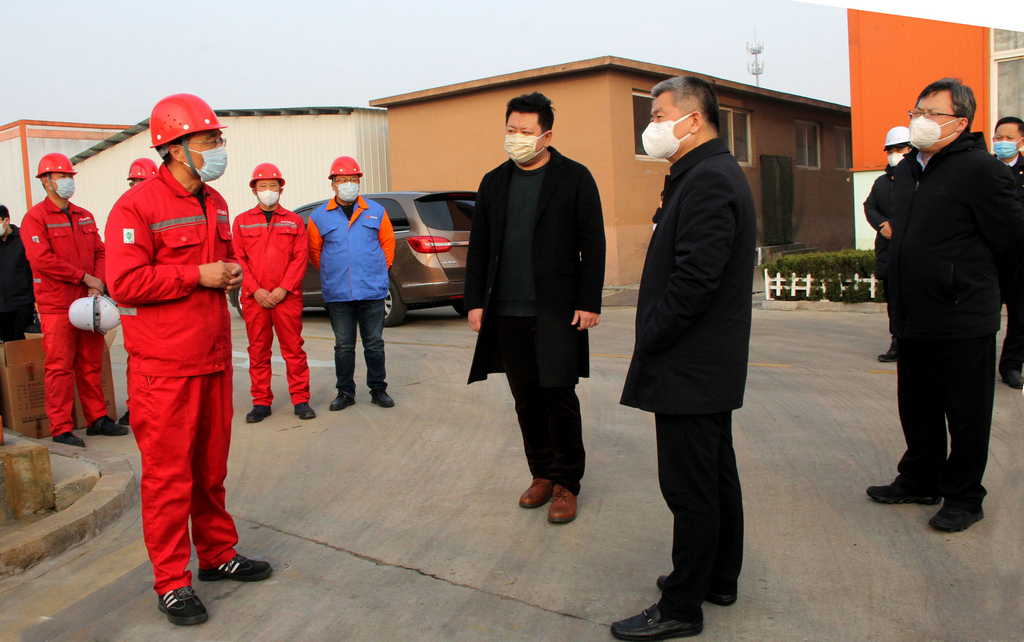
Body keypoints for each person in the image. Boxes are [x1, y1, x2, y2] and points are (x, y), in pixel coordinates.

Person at [105, 94, 272, 626]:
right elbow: (124, 282)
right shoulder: (136, 207)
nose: (219, 147)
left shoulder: (215, 201)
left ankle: (218, 554)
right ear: (176, 148)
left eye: (218, 138)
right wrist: (194, 275)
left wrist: (230, 270)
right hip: (164, 368)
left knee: (210, 470)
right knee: (168, 479)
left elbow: (217, 261)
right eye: (209, 140)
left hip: (213, 359)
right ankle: (172, 582)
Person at [612, 76, 755, 641]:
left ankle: (681, 605)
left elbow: (696, 279)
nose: (651, 126)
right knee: (714, 476)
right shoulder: (701, 174)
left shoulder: (709, 180)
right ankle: (717, 577)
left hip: (690, 363)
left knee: (689, 487)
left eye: (658, 115)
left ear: (693, 120)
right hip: (702, 363)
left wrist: (652, 335)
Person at [867, 79, 1024, 533]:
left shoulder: (981, 170)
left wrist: (974, 288)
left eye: (933, 113)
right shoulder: (907, 170)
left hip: (962, 316)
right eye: (917, 111)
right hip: (913, 314)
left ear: (960, 122)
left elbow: (1012, 243)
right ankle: (920, 479)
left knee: (966, 414)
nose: (921, 120)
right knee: (917, 406)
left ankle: (965, 497)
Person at [464, 91, 606, 525]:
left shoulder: (574, 177)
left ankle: (567, 482)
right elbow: (480, 247)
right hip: (506, 310)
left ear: (546, 135)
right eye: (511, 130)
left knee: (558, 394)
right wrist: (475, 303)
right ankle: (541, 474)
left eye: (526, 131)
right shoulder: (494, 181)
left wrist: (589, 301)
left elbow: (593, 243)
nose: (517, 138)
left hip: (557, 307)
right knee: (525, 397)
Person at [20, 153, 125, 447]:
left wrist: (97, 282)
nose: (68, 181)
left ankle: (97, 419)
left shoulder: (84, 215)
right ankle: (61, 428)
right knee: (60, 367)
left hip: (89, 301)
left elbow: (101, 251)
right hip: (57, 305)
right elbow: (41, 260)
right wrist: (84, 278)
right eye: (62, 176)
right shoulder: (35, 218)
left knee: (91, 362)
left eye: (70, 176)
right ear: (46, 181)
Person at [308, 156, 395, 411]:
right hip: (339, 293)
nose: (348, 184)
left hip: (372, 290)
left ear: (359, 181)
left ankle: (378, 390)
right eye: (343, 180)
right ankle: (345, 392)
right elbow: (315, 252)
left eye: (353, 179)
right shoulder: (319, 216)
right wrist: (335, 272)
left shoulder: (376, 211)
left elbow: (387, 244)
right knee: (344, 346)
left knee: (374, 344)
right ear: (333, 184)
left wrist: (376, 271)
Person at [233, 163, 314, 423]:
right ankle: (261, 402)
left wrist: (283, 288)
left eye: (272, 185)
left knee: (294, 349)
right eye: (262, 186)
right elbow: (238, 259)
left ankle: (300, 399)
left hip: (286, 298)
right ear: (254, 190)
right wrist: (255, 290)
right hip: (255, 299)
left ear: (281, 189)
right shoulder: (241, 222)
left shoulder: (294, 221)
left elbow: (300, 257)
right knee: (258, 351)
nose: (268, 190)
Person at [116, 159, 158, 427]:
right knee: (137, 357)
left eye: (142, 183)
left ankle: (151, 406)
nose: (137, 188)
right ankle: (135, 407)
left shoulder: (161, 213)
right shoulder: (126, 212)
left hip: (159, 299)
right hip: (134, 302)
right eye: (134, 183)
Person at [864, 126, 912, 363]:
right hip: (888, 251)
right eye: (890, 150)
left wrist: (896, 225)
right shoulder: (881, 182)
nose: (894, 154)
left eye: (900, 149)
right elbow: (869, 206)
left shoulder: (920, 179)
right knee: (893, 302)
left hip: (913, 253)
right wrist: (883, 224)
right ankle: (897, 343)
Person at [992, 116, 1024, 388]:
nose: (1003, 143)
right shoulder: (983, 169)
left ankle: (1012, 366)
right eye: (998, 137)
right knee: (983, 316)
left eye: (1009, 138)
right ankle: (977, 366)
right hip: (988, 258)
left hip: (1020, 258)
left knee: (1021, 317)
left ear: (1021, 141)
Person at [0, 204, 36, 342]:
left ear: (6, 221)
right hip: (2, 306)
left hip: (22, 303)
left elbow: (34, 268)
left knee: (22, 343)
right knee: (8, 344)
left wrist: (36, 299)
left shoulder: (23, 238)